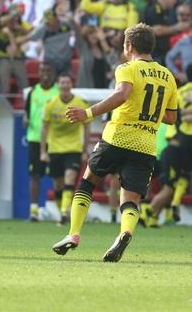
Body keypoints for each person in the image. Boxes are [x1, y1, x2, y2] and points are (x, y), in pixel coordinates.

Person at [52, 23, 177, 262]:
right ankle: (125, 232)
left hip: (117, 137)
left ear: (129, 46)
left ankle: (73, 234)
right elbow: (170, 118)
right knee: (130, 200)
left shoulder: (127, 68)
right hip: (146, 145)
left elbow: (121, 95)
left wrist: (88, 113)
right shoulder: (168, 77)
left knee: (88, 181)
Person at [41, 73, 91, 226]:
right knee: (58, 184)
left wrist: (84, 150)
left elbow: (87, 126)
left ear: (71, 84)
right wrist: (43, 151)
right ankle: (61, 214)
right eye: (62, 82)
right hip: (55, 149)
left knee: (70, 178)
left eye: (67, 82)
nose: (64, 85)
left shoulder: (80, 102)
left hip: (73, 148)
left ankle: (64, 212)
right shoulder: (50, 103)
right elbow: (44, 127)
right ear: (58, 84)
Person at [24, 62, 58, 222]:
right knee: (35, 175)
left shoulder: (58, 92)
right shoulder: (32, 92)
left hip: (55, 140)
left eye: (48, 70)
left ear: (53, 73)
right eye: (43, 70)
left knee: (60, 177)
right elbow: (26, 114)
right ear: (39, 72)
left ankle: (62, 211)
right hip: (35, 139)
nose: (45, 73)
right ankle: (34, 211)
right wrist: (25, 119)